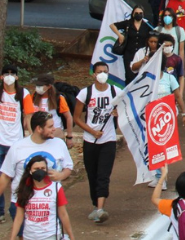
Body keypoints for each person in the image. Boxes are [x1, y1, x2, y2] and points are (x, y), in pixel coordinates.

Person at [0, 112, 74, 222]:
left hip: (50, 203)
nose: (54, 129)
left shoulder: (59, 144)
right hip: (22, 202)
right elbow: (5, 176)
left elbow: (68, 167)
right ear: (39, 129)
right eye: (50, 126)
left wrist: (61, 175)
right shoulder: (18, 147)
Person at [73, 62, 119, 224]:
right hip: (90, 140)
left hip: (108, 140)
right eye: (99, 72)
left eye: (105, 72)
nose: (102, 74)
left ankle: (101, 208)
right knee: (92, 174)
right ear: (93, 74)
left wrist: (117, 113)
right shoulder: (85, 93)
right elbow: (76, 118)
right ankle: (95, 205)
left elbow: (126, 110)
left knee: (103, 175)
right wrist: (91, 131)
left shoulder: (115, 92)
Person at [10, 154, 75, 240]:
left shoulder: (56, 188)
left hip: (50, 235)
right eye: (36, 169)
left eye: (43, 168)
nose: (40, 171)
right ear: (30, 171)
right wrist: (12, 237)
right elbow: (19, 217)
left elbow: (63, 214)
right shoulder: (24, 189)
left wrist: (71, 236)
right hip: (29, 236)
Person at [0, 66, 23, 218]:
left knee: (18, 178)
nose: (9, 76)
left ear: (17, 77)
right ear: (1, 77)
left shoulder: (23, 94)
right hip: (0, 141)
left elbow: (28, 116)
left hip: (17, 142)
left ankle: (16, 208)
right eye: (6, 74)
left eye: (12, 74)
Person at [21, 75, 71, 141]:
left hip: (55, 134)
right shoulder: (33, 97)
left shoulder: (59, 99)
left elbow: (68, 117)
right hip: (38, 135)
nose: (38, 88)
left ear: (49, 86)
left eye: (41, 86)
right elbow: (28, 116)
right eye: (37, 85)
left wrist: (69, 136)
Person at [111, 5, 153, 83]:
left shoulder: (147, 25)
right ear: (133, 14)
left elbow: (154, 34)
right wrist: (119, 35)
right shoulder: (128, 23)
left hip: (141, 54)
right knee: (129, 76)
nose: (138, 14)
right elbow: (112, 25)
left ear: (143, 14)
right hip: (129, 54)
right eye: (136, 13)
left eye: (140, 13)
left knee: (141, 76)